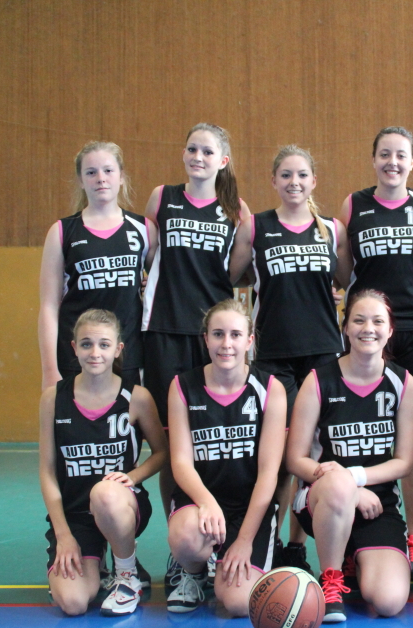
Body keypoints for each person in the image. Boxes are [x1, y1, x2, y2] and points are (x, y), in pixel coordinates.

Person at [229, 145, 351, 572]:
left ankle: (297, 544)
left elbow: (347, 279)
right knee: (280, 455)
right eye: (285, 175)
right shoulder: (256, 227)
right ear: (274, 181)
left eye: (301, 175)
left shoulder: (331, 229)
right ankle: (271, 537)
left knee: (314, 451)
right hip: (273, 355)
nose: (294, 182)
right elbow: (231, 276)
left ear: (313, 181)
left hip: (323, 352)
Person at [142, 123, 253, 587]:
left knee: (215, 435)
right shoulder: (162, 198)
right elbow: (148, 258)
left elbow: (235, 273)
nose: (198, 157)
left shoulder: (237, 212)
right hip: (164, 330)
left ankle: (221, 531)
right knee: (173, 443)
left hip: (214, 338)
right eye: (192, 148)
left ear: (223, 160)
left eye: (208, 151)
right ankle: (181, 547)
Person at [337, 127, 413, 580]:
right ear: (373, 159)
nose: (392, 162)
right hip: (368, 330)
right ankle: (348, 534)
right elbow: (344, 269)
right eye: (384, 154)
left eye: (401, 155)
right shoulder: (354, 205)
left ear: (412, 161)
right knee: (350, 431)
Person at [286, 289, 413, 623]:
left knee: (389, 601)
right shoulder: (318, 381)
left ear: (390, 329)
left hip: (378, 505)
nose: (368, 328)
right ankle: (331, 579)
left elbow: (404, 461)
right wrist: (346, 486)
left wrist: (355, 477)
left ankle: (352, 555)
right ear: (345, 328)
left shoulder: (403, 383)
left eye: (378, 321)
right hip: (321, 499)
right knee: (337, 488)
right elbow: (295, 458)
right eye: (358, 320)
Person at [39, 309, 167, 617]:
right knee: (73, 603)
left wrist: (133, 477)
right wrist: (63, 535)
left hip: (120, 504)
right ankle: (94, 560)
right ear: (74, 348)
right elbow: (47, 471)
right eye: (86, 344)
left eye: (104, 344)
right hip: (76, 515)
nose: (95, 352)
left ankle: (126, 574)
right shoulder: (53, 399)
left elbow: (162, 452)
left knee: (105, 493)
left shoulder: (136, 397)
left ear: (118, 349)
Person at [165, 299, 287, 615]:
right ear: (206, 339)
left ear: (249, 341)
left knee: (237, 602)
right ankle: (193, 573)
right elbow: (181, 462)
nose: (226, 344)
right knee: (187, 536)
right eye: (218, 334)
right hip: (202, 502)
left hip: (250, 506)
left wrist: (245, 540)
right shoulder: (182, 387)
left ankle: (242, 555)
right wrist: (207, 502)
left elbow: (269, 474)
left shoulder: (270, 389)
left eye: (235, 335)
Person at [38, 141, 154, 391]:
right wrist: (49, 370)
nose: (101, 178)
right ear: (81, 180)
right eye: (91, 172)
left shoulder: (144, 229)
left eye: (108, 170)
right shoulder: (62, 231)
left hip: (128, 355)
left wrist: (150, 286)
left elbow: (164, 285)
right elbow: (48, 305)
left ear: (121, 177)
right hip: (77, 356)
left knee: (127, 417)